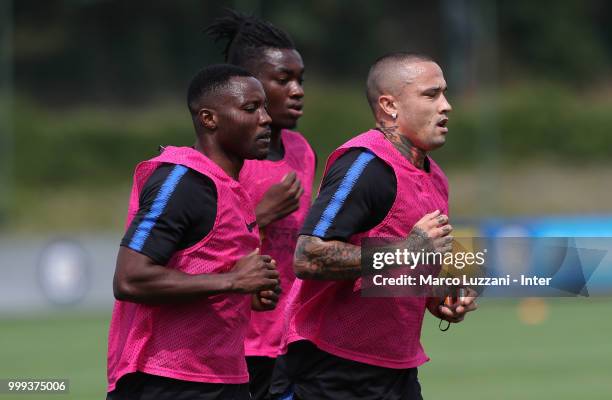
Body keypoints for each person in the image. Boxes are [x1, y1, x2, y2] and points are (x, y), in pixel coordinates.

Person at [272, 53, 478, 400]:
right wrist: (406, 250)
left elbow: (394, 271)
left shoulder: (436, 177)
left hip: (396, 371)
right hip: (329, 370)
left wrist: (435, 295)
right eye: (431, 95)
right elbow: (308, 256)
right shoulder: (364, 164)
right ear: (389, 106)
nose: (447, 106)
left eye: (444, 93)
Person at [106, 64, 281, 400]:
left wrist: (244, 294)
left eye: (263, 107)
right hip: (166, 381)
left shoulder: (229, 186)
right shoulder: (181, 181)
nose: (265, 119)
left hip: (225, 376)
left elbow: (203, 269)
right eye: (250, 108)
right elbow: (129, 278)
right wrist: (232, 282)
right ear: (209, 119)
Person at [206, 11, 316, 400]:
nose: (298, 90)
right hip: (234, 344)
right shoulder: (224, 159)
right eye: (283, 80)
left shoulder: (302, 151)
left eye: (300, 79)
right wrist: (260, 216)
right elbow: (201, 249)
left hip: (289, 341)